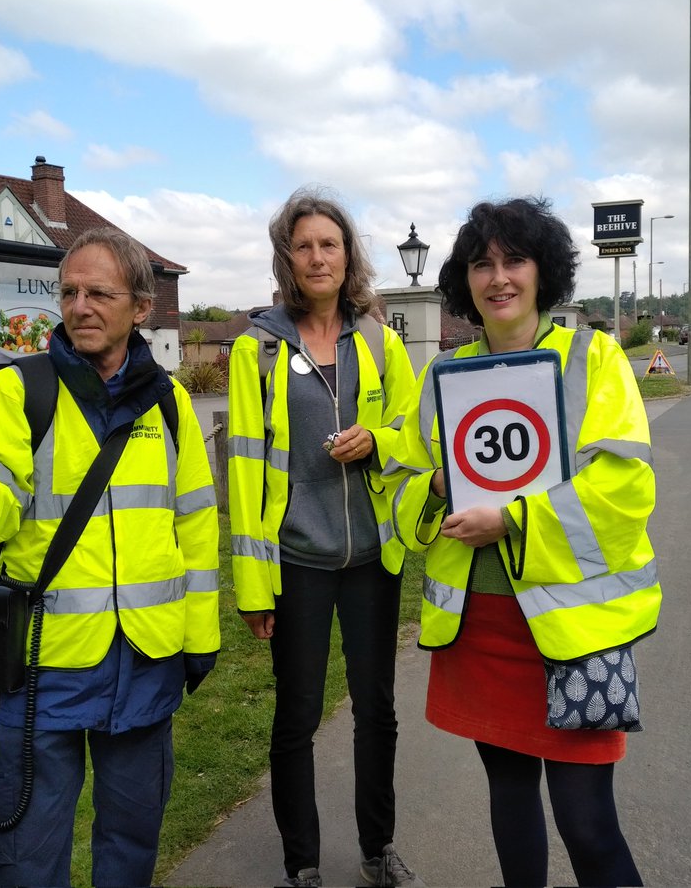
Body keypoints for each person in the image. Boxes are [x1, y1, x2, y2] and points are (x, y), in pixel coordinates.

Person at [0, 227, 220, 887]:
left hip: (146, 657)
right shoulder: (21, 391)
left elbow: (196, 531)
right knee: (27, 855)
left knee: (132, 838)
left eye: (99, 292)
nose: (81, 305)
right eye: (69, 292)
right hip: (42, 661)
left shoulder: (172, 402)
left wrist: (200, 638)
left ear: (141, 307)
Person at [385, 197, 661, 887]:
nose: (498, 277)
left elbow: (624, 489)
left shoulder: (593, 358)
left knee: (588, 823)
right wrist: (439, 491)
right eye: (482, 264)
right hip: (482, 625)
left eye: (514, 260)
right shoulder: (442, 376)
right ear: (464, 281)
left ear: (544, 272)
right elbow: (406, 492)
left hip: (573, 629)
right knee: (509, 805)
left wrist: (511, 518)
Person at [227, 187, 421, 888]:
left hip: (373, 557)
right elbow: (243, 476)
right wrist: (253, 586)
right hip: (299, 561)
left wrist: (379, 439)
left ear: (348, 256)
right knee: (296, 717)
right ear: (288, 256)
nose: (317, 256)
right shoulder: (256, 349)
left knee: (378, 712)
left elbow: (415, 431)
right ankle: (301, 865)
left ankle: (378, 851)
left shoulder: (378, 339)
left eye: (329, 244)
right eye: (304, 244)